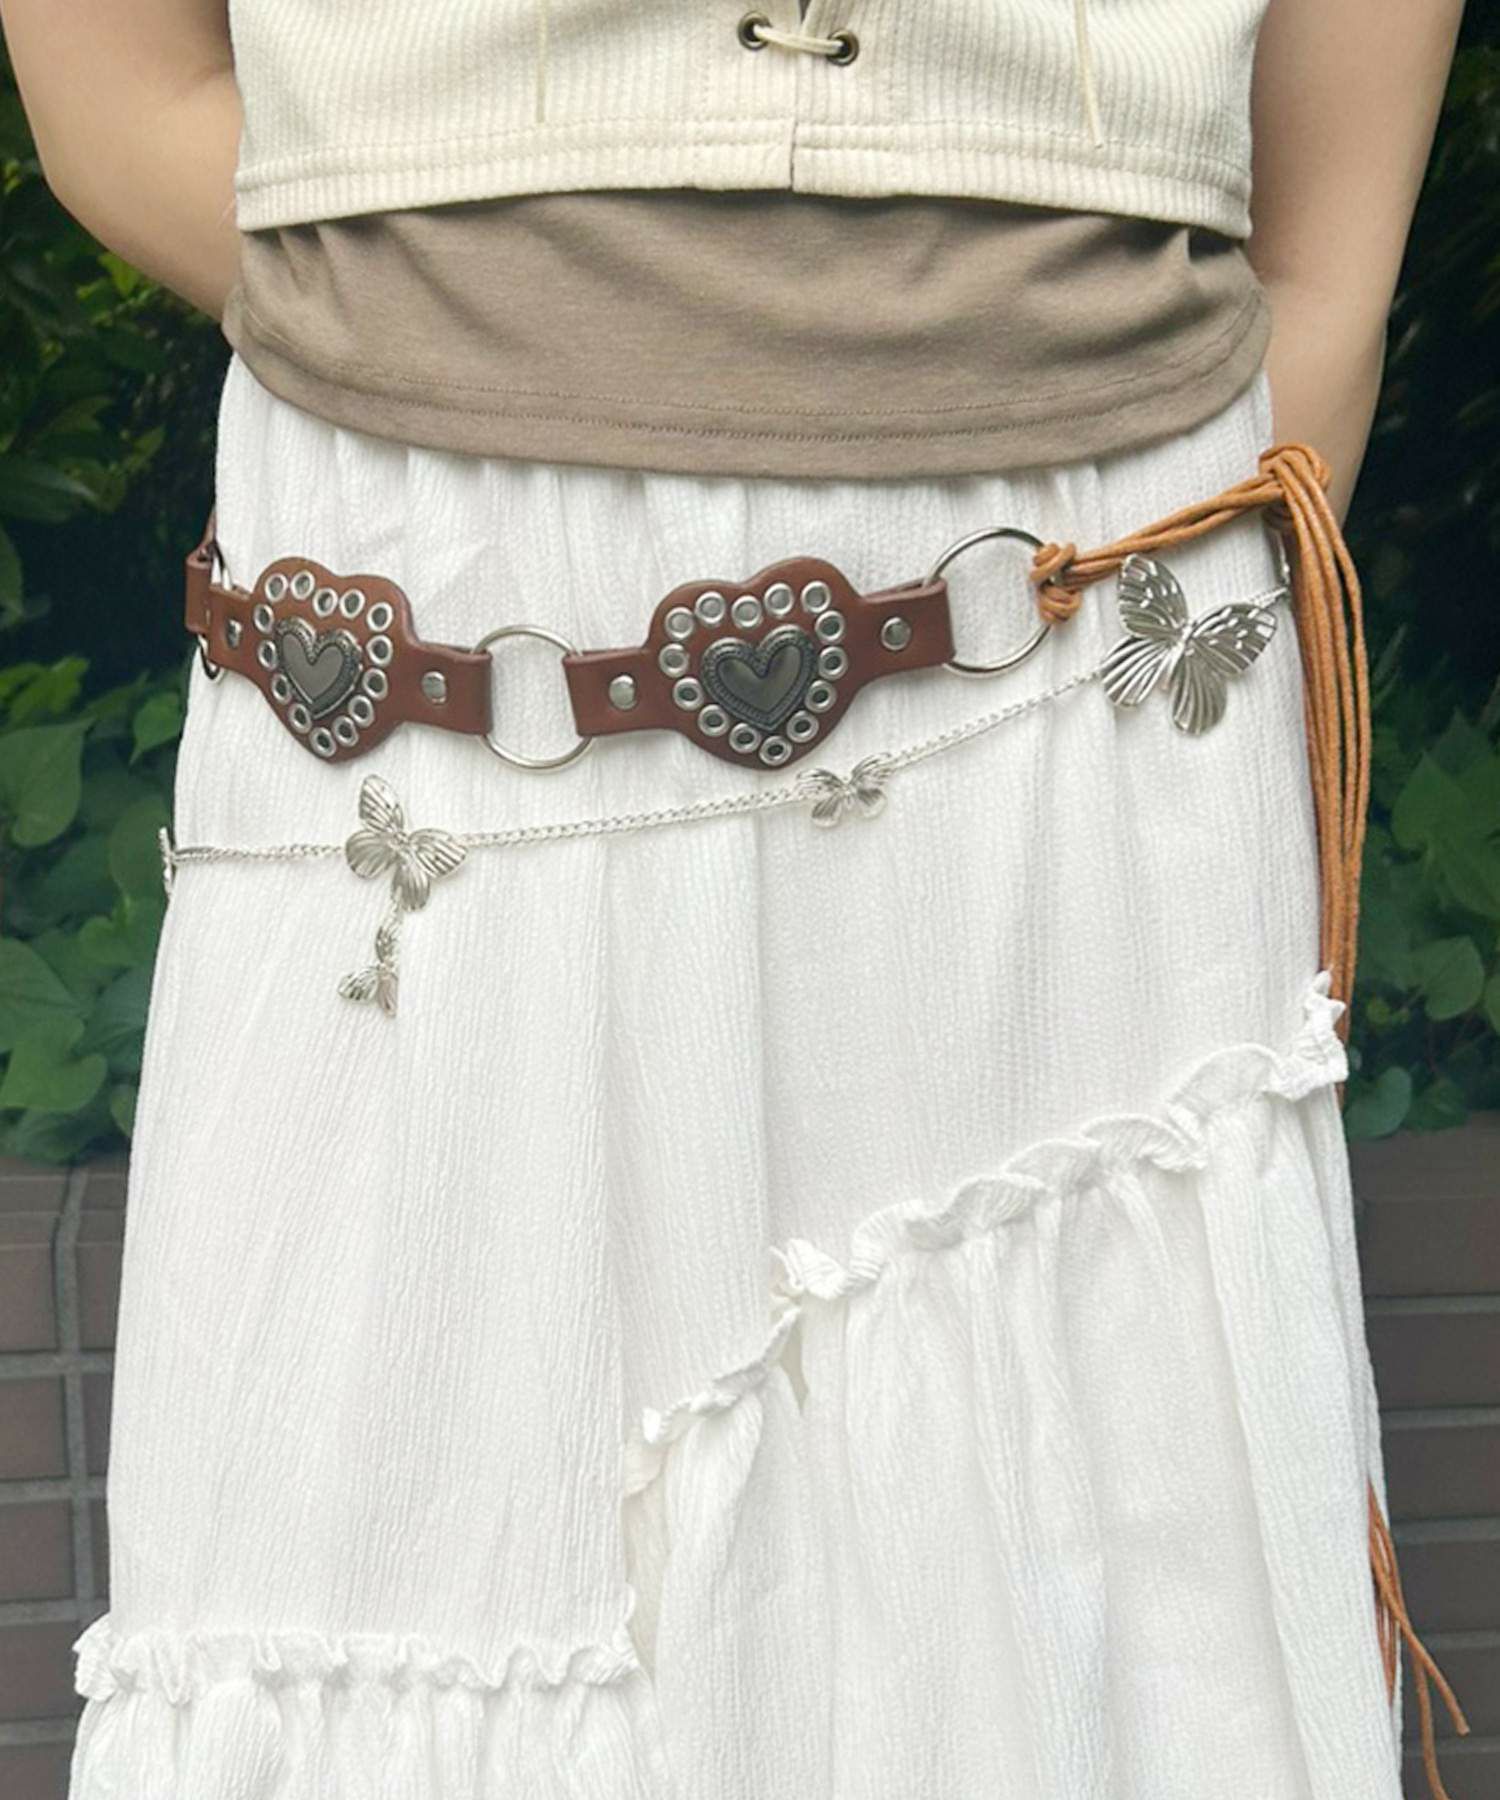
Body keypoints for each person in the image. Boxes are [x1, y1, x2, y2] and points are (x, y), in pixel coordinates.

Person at [2, 3, 1471, 1797]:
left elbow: (1325, 254)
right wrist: (479, 293)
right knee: (404, 1563)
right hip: (424, 614)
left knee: (1106, 1611)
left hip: (1090, 624)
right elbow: (117, 102)